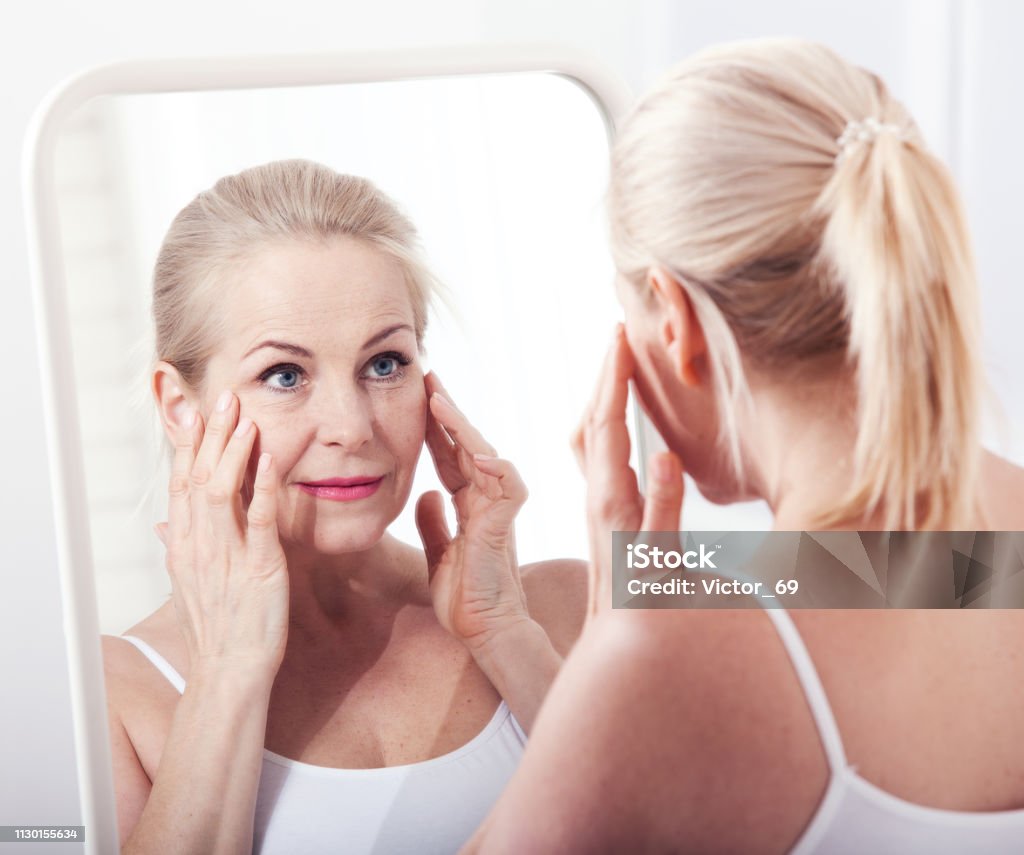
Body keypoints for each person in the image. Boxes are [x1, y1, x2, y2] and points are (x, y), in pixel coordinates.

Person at [465, 38, 1024, 853]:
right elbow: (893, 574)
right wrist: (642, 580)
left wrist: (612, 630)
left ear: (675, 319)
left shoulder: (675, 658)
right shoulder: (987, 541)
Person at [99, 159, 587, 854]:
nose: (352, 425)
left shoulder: (571, 596)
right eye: (285, 374)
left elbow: (800, 573)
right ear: (180, 407)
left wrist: (509, 635)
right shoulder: (107, 696)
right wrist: (228, 673)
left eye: (384, 363)